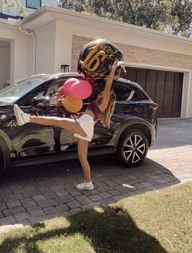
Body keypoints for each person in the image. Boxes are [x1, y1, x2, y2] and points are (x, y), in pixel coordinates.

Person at [14, 59, 125, 190]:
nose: (101, 92)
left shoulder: (104, 101)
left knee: (54, 121)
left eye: (103, 93)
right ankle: (88, 183)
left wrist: (113, 68)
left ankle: (25, 118)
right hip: (85, 126)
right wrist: (78, 117)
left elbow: (108, 85)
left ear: (108, 96)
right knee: (82, 157)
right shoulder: (98, 104)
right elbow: (91, 118)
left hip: (84, 126)